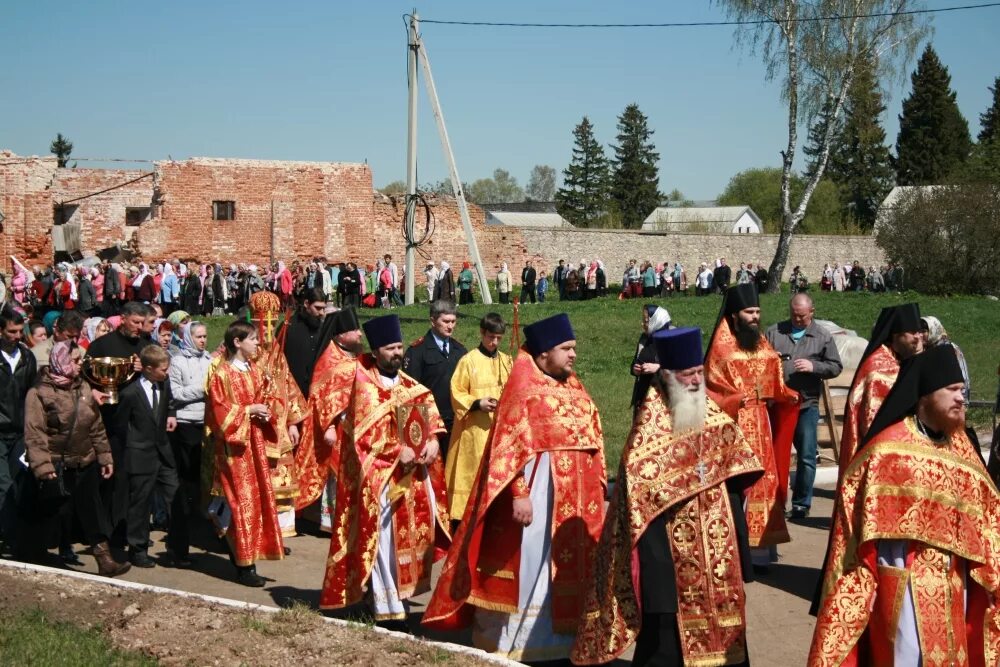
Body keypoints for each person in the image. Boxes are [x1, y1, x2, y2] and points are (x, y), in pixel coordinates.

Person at [572, 327, 763, 667]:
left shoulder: (713, 415)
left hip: (718, 553)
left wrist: (741, 551)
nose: (695, 381)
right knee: (666, 644)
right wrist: (657, 584)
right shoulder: (648, 434)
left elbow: (737, 476)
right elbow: (640, 512)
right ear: (669, 376)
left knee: (728, 628)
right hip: (673, 563)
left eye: (699, 373)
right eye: (688, 374)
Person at [424, 314, 607, 661]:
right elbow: (505, 451)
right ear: (542, 355)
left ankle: (557, 643)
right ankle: (515, 642)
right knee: (529, 569)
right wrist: (520, 493)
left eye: (574, 349)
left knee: (560, 568)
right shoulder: (522, 391)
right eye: (566, 349)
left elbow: (594, 437)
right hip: (534, 500)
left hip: (572, 500)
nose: (573, 356)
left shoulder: (575, 388)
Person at [810, 344, 1000, 665]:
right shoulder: (887, 451)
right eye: (952, 390)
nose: (961, 398)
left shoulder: (962, 448)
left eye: (962, 390)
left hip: (955, 581)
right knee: (907, 655)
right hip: (902, 577)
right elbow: (855, 526)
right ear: (926, 394)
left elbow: (989, 514)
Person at [319, 313, 450, 621]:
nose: (397, 353)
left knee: (405, 545)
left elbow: (432, 423)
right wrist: (396, 451)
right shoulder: (364, 387)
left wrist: (432, 442)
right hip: (378, 483)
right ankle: (385, 608)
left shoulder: (412, 387)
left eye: (399, 347)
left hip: (412, 480)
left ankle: (397, 602)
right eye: (390, 348)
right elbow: (364, 439)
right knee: (382, 543)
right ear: (376, 351)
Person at [705, 283, 799, 569]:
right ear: (735, 315)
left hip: (761, 421)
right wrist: (736, 398)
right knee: (739, 483)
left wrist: (784, 393)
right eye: (749, 312)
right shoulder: (721, 347)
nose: (755, 316)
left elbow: (774, 370)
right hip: (735, 424)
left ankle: (761, 551)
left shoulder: (760, 342)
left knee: (764, 482)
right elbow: (712, 386)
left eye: (757, 311)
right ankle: (737, 548)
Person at [21, 340, 130, 576]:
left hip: (85, 461)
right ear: (61, 361)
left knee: (93, 510)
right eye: (75, 360)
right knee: (52, 512)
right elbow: (34, 432)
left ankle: (105, 560)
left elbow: (95, 426)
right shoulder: (39, 393)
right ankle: (35, 555)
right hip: (56, 465)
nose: (80, 365)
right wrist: (42, 466)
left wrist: (104, 456)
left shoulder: (83, 388)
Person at [206, 321, 285, 586]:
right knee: (241, 503)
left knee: (257, 500)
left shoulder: (253, 370)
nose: (257, 344)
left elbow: (266, 401)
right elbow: (218, 413)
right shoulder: (222, 374)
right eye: (252, 339)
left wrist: (265, 411)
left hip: (255, 444)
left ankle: (252, 556)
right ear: (237, 342)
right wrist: (249, 411)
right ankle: (243, 565)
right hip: (234, 449)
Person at [765, 294, 843, 520]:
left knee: (807, 455)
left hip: (806, 403)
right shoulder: (774, 332)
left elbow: (836, 367)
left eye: (802, 316)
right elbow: (758, 360)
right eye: (794, 315)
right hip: (778, 405)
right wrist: (772, 360)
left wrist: (814, 366)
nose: (798, 320)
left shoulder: (822, 336)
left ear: (812, 312)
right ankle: (775, 502)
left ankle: (801, 504)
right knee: (775, 455)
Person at [246, 291, 308, 539]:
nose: (268, 330)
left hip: (281, 428)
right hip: (256, 426)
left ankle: (279, 530)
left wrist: (293, 422)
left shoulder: (277, 353)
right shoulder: (243, 352)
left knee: (281, 479)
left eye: (273, 322)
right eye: (263, 323)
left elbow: (289, 386)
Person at [295, 308, 362, 532]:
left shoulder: (354, 353)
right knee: (336, 474)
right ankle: (332, 520)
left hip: (358, 425)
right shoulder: (329, 358)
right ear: (341, 334)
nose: (360, 334)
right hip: (337, 427)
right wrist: (329, 426)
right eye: (355, 330)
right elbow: (321, 395)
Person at [110, 344, 178, 568]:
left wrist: (170, 414)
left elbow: (168, 402)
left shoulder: (164, 384)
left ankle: (178, 548)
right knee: (141, 503)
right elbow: (120, 425)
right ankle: (138, 549)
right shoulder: (130, 393)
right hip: (140, 455)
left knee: (175, 497)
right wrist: (132, 449)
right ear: (148, 369)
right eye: (163, 369)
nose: (166, 373)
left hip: (163, 452)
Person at [837, 303, 923, 473]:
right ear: (896, 335)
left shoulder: (896, 358)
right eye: (912, 333)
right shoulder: (880, 368)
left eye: (919, 332)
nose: (918, 338)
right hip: (880, 452)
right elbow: (876, 421)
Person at [444, 313, 512, 523]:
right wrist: (477, 403)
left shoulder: (506, 361)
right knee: (473, 475)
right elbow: (456, 391)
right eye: (491, 337)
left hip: (499, 431)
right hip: (474, 431)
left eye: (499, 338)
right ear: (482, 333)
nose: (494, 342)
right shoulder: (469, 360)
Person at [165, 321, 211, 567]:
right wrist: (203, 389)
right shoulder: (178, 362)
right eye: (199, 336)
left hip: (206, 422)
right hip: (185, 423)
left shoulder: (208, 361)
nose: (203, 340)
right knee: (186, 481)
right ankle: (178, 544)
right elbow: (177, 393)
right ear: (188, 337)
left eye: (205, 336)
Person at [403, 300, 467, 461]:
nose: (450, 326)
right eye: (445, 322)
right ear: (432, 321)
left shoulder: (460, 350)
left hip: (456, 421)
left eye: (453, 322)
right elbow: (410, 392)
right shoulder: (417, 351)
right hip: (431, 424)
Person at [0, 309, 38, 550]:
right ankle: (7, 535)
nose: (16, 336)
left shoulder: (26, 357)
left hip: (20, 430)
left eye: (19, 331)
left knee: (17, 481)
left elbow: (31, 391)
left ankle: (12, 532)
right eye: (11, 331)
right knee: (2, 482)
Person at [282, 286, 328, 396]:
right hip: (294, 391)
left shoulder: (323, 328)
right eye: (317, 308)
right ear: (307, 303)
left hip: (317, 389)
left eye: (323, 308)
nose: (322, 313)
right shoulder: (289, 327)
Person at [629, 305, 671, 415]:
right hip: (643, 395)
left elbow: (681, 368)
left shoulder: (672, 339)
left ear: (657, 321)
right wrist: (635, 369)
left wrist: (658, 368)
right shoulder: (644, 338)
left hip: (663, 398)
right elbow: (635, 361)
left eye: (646, 321)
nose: (642, 324)